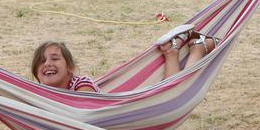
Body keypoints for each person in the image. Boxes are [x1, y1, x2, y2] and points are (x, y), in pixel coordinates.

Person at [30, 25, 217, 92]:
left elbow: (82, 107)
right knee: (173, 90)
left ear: (70, 67)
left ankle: (195, 50)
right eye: (41, 61)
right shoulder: (42, 96)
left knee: (175, 92)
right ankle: (176, 50)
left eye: (55, 59)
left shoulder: (81, 85)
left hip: (134, 111)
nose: (47, 64)